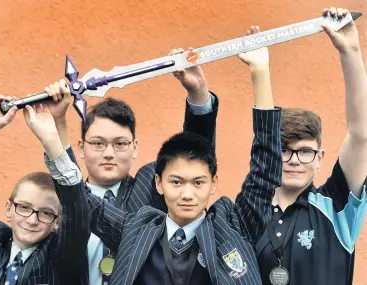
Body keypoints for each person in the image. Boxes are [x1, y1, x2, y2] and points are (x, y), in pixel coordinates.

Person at [77, 26, 283, 284]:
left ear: (213, 183)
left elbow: (263, 172)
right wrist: (54, 127)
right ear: (159, 183)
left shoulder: (232, 226)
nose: (187, 193)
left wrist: (260, 71)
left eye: (198, 183)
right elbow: (73, 191)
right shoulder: (138, 228)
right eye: (176, 182)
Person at [44, 48, 219, 284]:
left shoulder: (150, 186)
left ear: (134, 148)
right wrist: (59, 120)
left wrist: (197, 92)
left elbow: (193, 156)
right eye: (97, 143)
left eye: (120, 143)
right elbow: (69, 185)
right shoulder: (55, 202)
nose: (108, 153)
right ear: (81, 148)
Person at [255, 7, 367, 285]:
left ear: (320, 158)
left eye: (305, 151)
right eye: (284, 150)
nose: (294, 160)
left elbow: (361, 133)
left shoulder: (337, 206)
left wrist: (350, 51)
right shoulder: (247, 211)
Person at [0, 96, 90, 285]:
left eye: (45, 213)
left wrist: (51, 140)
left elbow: (78, 212)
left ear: (57, 222)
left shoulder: (63, 257)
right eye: (24, 207)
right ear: (8, 209)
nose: (32, 220)